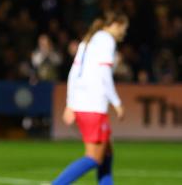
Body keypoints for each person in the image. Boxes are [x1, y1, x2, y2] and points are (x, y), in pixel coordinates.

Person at [52, 11, 129, 185]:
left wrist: (70, 104)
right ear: (115, 24)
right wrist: (116, 102)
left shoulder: (88, 41)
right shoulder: (106, 40)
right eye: (124, 28)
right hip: (94, 105)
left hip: (82, 103)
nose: (124, 32)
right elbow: (104, 74)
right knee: (94, 157)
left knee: (107, 153)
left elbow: (73, 73)